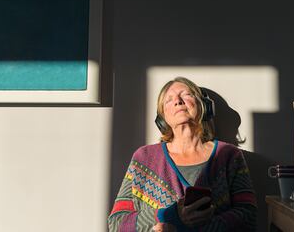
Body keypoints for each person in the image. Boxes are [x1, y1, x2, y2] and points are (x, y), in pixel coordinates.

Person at [108, 77, 257, 231]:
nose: (178, 101)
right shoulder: (144, 158)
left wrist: (200, 227)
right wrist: (169, 215)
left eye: (186, 95)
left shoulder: (229, 155)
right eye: (169, 100)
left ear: (204, 106)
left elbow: (248, 214)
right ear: (162, 118)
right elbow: (117, 222)